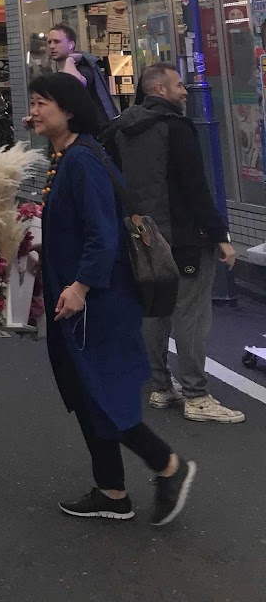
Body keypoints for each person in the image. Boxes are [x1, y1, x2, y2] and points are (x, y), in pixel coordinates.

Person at [29, 72, 195, 526]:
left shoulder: (82, 160)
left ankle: (169, 465)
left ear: (68, 109)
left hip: (99, 302)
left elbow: (102, 235)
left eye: (42, 102)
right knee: (86, 393)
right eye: (33, 102)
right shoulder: (66, 156)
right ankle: (112, 491)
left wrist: (80, 287)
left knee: (102, 393)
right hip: (79, 299)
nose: (34, 110)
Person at [105, 64, 244, 424]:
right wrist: (220, 236)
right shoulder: (176, 128)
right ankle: (196, 395)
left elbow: (113, 180)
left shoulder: (120, 129)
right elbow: (195, 187)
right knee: (190, 316)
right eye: (179, 85)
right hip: (184, 238)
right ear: (160, 90)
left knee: (154, 312)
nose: (185, 91)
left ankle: (161, 387)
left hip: (143, 237)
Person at [46, 23, 118, 128]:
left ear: (71, 45)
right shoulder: (57, 74)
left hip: (91, 132)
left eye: (57, 41)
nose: (52, 46)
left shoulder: (84, 69)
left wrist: (70, 59)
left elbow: (72, 84)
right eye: (49, 42)